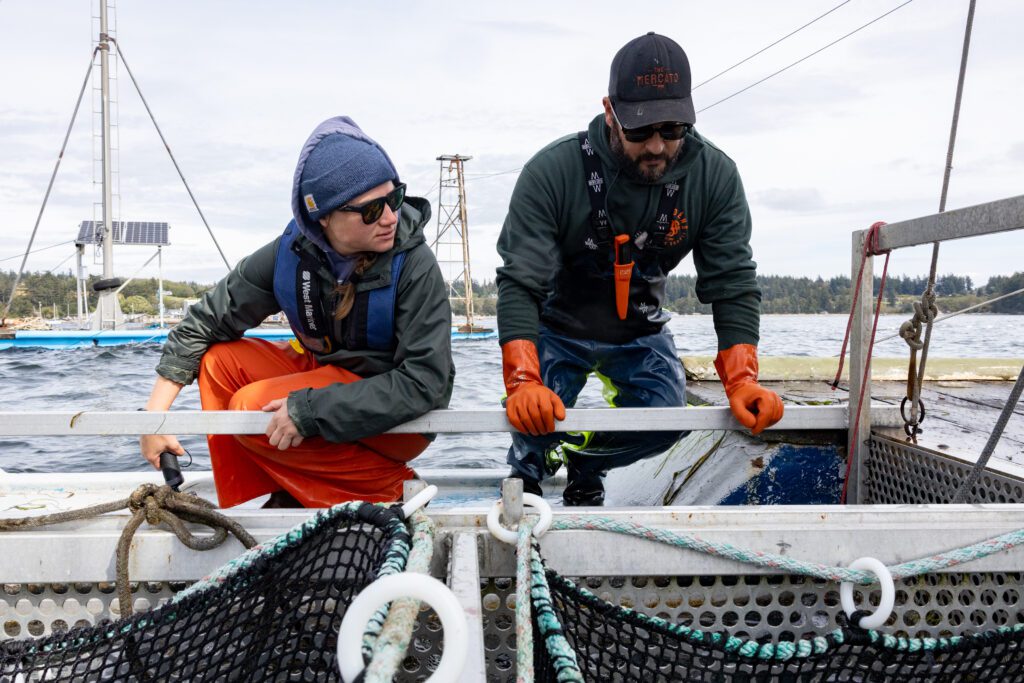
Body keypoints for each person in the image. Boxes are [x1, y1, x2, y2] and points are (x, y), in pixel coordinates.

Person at [496, 32, 784, 506]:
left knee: (665, 420)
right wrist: (523, 382)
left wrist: (742, 380)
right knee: (531, 420)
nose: (656, 146)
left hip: (639, 327)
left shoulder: (715, 176)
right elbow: (520, 283)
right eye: (639, 131)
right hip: (557, 323)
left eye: (672, 130)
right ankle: (530, 466)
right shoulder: (551, 171)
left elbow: (732, 282)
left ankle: (587, 462)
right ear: (610, 112)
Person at [140, 116, 454, 508]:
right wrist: (153, 421)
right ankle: (277, 490)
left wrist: (311, 410)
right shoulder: (291, 254)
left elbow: (426, 384)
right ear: (324, 217)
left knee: (250, 409)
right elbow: (204, 322)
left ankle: (390, 489)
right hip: (325, 379)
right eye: (372, 210)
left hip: (393, 413)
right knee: (219, 362)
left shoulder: (414, 264)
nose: (390, 217)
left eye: (394, 198)